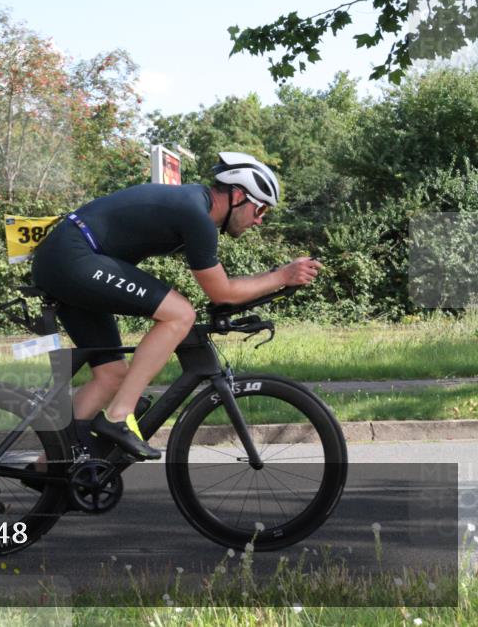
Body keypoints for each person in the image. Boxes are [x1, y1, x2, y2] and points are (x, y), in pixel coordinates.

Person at [30, 152, 322, 459]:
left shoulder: (197, 207)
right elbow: (222, 293)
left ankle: (52, 465)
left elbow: (222, 289)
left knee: (111, 375)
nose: (260, 219)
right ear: (238, 195)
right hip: (73, 258)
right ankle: (119, 417)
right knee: (180, 314)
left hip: (69, 259)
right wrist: (282, 275)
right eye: (260, 208)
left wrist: (276, 279)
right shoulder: (197, 215)